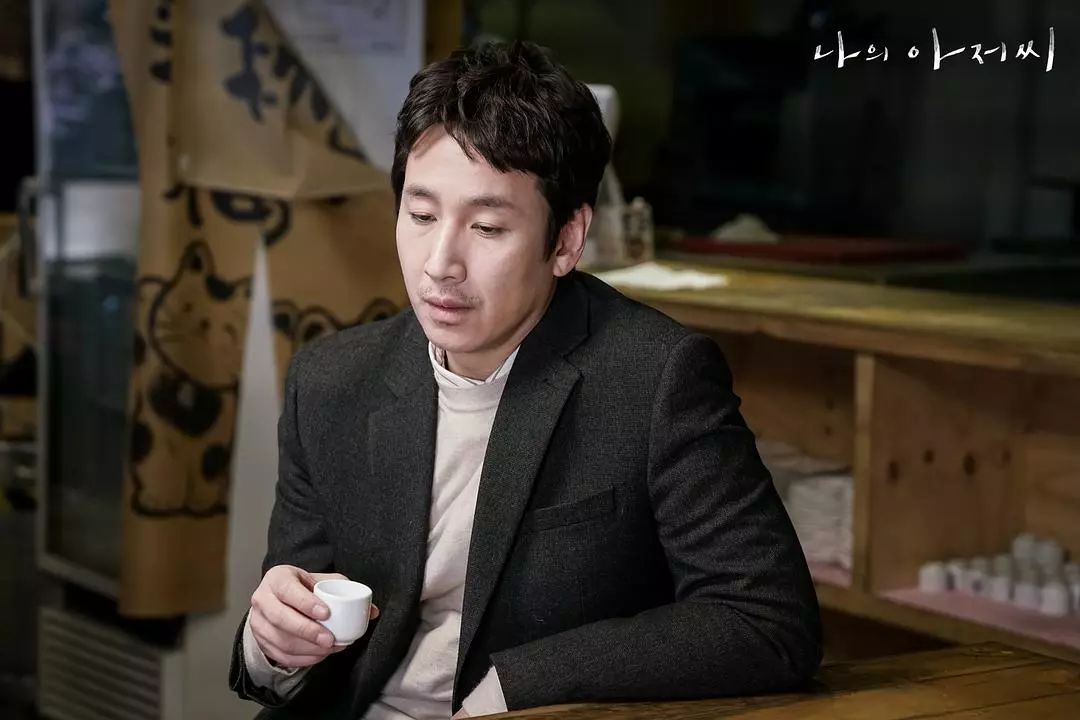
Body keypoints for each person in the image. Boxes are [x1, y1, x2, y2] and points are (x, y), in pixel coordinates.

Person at [229, 40, 821, 719]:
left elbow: (767, 620)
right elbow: (290, 640)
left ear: (565, 240)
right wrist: (272, 644)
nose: (440, 263)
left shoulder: (656, 378)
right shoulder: (332, 380)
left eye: (487, 227)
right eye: (420, 216)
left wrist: (523, 685)